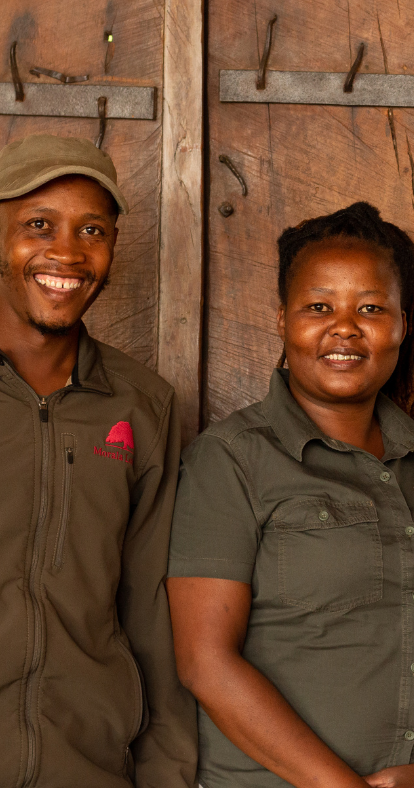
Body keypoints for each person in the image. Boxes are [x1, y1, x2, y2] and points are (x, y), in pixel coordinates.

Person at [166, 202, 414, 788]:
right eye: (319, 307)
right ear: (282, 320)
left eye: (371, 308)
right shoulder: (233, 459)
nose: (344, 327)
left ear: (403, 324)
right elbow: (205, 664)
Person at [0, 134, 197, 786]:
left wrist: (167, 772)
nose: (66, 252)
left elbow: (151, 609)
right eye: (37, 225)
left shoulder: (145, 407)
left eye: (92, 230)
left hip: (88, 768)